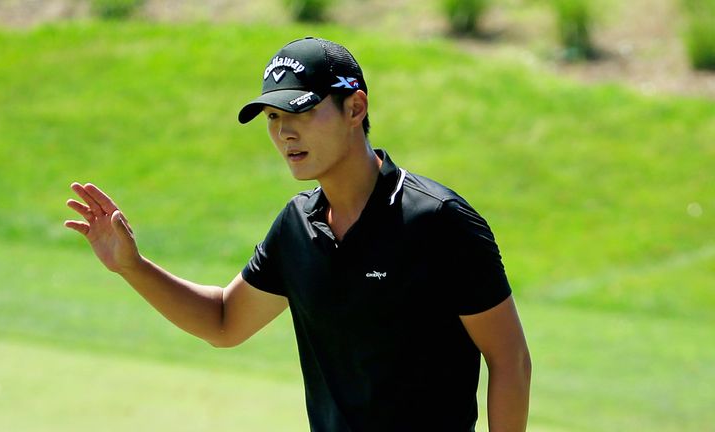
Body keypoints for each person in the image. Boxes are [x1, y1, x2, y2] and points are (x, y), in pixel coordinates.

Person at [65, 36, 531, 431]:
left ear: (355, 108)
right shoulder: (297, 226)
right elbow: (224, 321)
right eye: (272, 117)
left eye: (301, 112)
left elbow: (509, 359)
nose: (285, 132)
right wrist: (133, 267)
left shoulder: (439, 221)